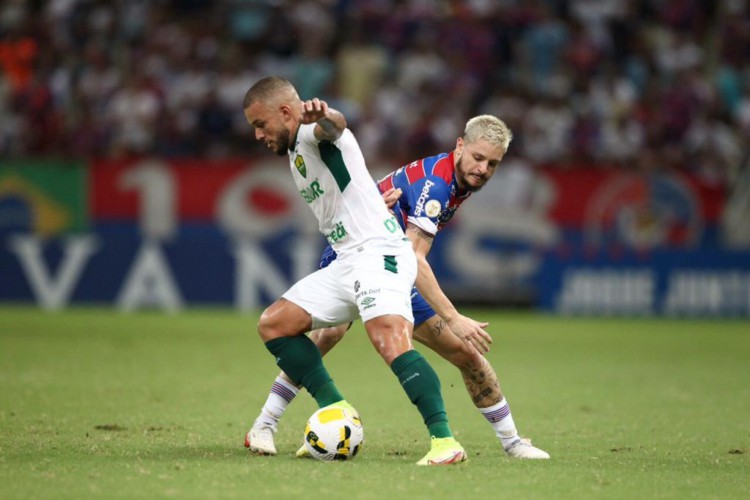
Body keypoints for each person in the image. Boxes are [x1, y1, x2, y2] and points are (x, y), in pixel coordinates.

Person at [246, 114, 550, 460]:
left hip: (391, 266)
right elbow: (416, 258)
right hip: (363, 258)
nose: (483, 168)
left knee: (466, 355)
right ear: (460, 146)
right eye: (478, 158)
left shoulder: (451, 180)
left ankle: (512, 443)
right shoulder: (437, 184)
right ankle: (265, 423)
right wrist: (452, 316)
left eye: (492, 164)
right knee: (327, 337)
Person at [242, 76, 466, 466]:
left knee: (389, 339)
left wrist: (326, 115)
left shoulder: (312, 132)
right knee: (274, 324)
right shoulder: (295, 151)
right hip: (346, 259)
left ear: (284, 112)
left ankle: (445, 442)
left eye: (261, 125)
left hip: (379, 252)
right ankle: (336, 410)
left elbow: (336, 127)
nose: (258, 135)